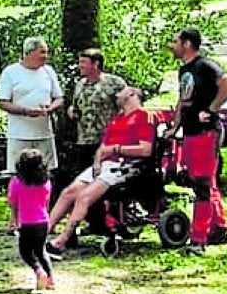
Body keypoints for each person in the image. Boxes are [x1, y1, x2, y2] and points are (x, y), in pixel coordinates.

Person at [45, 86, 156, 252]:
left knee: (84, 197)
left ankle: (63, 240)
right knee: (68, 192)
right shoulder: (117, 119)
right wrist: (97, 162)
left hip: (126, 165)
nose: (117, 94)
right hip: (105, 164)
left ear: (132, 94)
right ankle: (43, 232)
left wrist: (116, 149)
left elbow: (146, 150)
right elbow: (103, 147)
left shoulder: (144, 116)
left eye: (122, 91)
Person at [169, 28, 227, 253]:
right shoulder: (184, 71)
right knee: (201, 180)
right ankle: (219, 227)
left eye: (175, 41)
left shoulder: (205, 66)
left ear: (187, 44)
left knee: (202, 185)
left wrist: (212, 109)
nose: (172, 46)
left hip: (206, 132)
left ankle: (198, 240)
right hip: (190, 132)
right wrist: (175, 126)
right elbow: (183, 99)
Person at [0, 36, 64, 175]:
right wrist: (25, 111)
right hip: (19, 134)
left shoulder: (48, 71)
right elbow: (3, 102)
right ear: (29, 52)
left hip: (44, 133)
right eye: (42, 52)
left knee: (46, 171)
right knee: (19, 173)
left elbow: (59, 98)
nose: (45, 56)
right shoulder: (11, 72)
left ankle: (45, 196)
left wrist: (50, 108)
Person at [67, 48, 129, 175]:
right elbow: (74, 106)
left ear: (96, 64)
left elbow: (128, 108)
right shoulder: (80, 85)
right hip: (85, 140)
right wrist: (72, 112)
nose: (80, 66)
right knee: (85, 175)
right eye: (80, 62)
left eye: (84, 62)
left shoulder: (115, 83)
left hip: (108, 139)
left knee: (107, 175)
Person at [9, 149, 56, 291]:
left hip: (27, 223)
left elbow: (13, 202)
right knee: (41, 251)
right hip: (43, 221)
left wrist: (13, 220)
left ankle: (38, 271)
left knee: (26, 252)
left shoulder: (17, 182)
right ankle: (50, 279)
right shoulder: (45, 181)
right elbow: (46, 200)